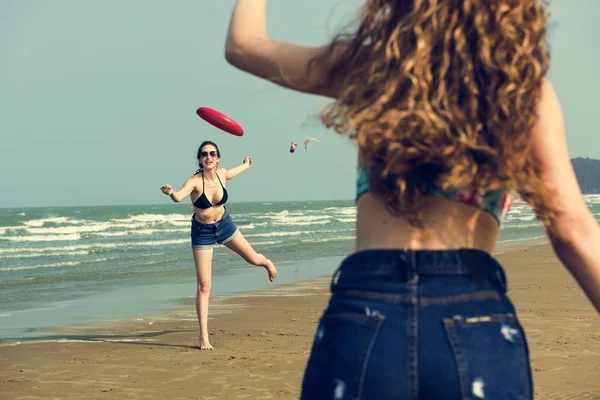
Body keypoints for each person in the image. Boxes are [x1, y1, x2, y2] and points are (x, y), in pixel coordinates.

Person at [224, 0, 600, 398]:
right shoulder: (520, 90)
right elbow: (573, 232)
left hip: (364, 311)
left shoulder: (375, 68)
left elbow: (244, 46)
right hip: (473, 313)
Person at [161, 140, 278, 350]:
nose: (208, 157)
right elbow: (179, 196)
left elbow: (235, 172)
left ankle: (267, 263)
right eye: (204, 154)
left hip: (225, 225)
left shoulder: (222, 173)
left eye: (212, 153)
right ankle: (203, 337)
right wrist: (170, 192)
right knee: (204, 285)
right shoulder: (194, 181)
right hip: (202, 232)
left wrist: (247, 164)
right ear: (199, 158)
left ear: (218, 157)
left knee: (253, 258)